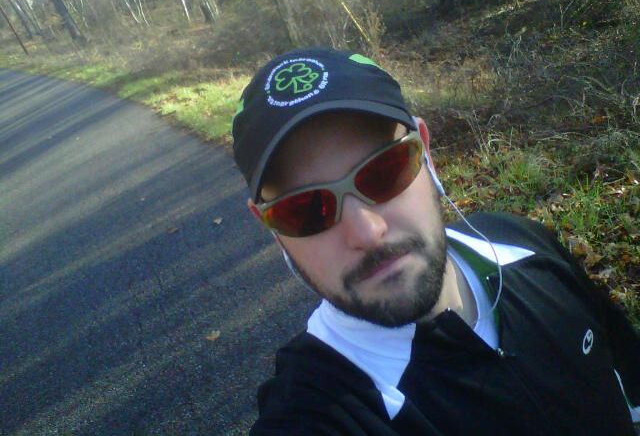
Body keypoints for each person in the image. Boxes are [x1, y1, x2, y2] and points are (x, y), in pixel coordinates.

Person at [232, 47, 640, 435]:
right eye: (305, 209)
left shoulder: (522, 242)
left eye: (384, 170)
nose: (367, 233)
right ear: (272, 230)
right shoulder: (312, 413)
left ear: (425, 154)